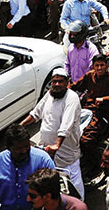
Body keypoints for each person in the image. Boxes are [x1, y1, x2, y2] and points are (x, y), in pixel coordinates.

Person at [20, 69, 85, 198]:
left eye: (60, 81)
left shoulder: (72, 98)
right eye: (54, 81)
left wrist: (57, 144)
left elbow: (66, 125)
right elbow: (35, 114)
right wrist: (20, 125)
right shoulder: (49, 95)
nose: (57, 84)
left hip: (65, 152)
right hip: (46, 150)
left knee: (73, 183)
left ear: (67, 82)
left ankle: (79, 203)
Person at [70, 55, 109, 164]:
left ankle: (93, 164)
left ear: (106, 66)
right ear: (93, 66)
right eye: (97, 65)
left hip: (102, 114)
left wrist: (105, 99)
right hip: (86, 112)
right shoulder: (89, 76)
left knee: (86, 140)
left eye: (102, 65)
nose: (99, 68)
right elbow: (74, 86)